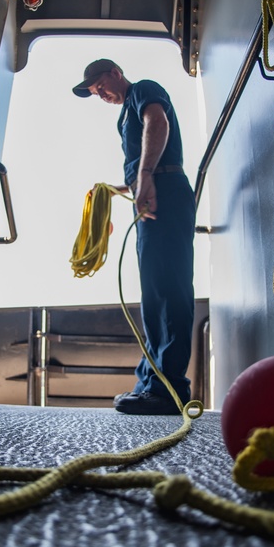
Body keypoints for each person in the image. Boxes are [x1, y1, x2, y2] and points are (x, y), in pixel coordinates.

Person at [72, 59, 196, 415]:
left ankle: (169, 388)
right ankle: (151, 382)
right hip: (150, 193)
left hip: (166, 190)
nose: (102, 95)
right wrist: (118, 188)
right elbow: (143, 155)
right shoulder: (122, 114)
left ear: (115, 73)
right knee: (153, 293)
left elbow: (158, 122)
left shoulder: (143, 89)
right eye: (96, 94)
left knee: (169, 288)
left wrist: (144, 177)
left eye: (101, 87)